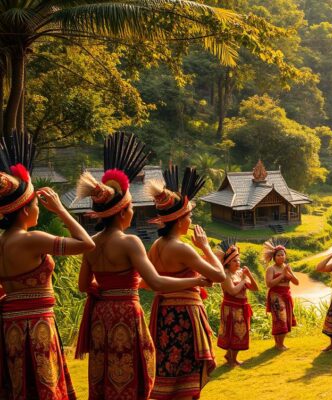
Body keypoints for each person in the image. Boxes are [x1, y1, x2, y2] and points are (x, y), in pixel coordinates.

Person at [73, 133, 210, 399]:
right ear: (123, 212)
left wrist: (106, 292)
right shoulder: (130, 242)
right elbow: (156, 283)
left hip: (101, 317)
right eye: (132, 206)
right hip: (126, 313)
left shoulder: (91, 243)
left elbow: (82, 286)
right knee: (133, 374)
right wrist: (194, 281)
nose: (134, 211)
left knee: (104, 374)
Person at [0, 131, 95, 399]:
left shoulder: (2, 243)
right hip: (36, 326)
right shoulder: (33, 240)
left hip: (10, 327)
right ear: (25, 210)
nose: (40, 209)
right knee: (44, 387)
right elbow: (87, 244)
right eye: (36, 204)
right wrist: (61, 210)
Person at [145, 165, 226, 399]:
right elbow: (219, 276)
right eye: (189, 216)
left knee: (169, 364)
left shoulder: (156, 246)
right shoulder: (182, 248)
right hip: (183, 315)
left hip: (162, 314)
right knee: (186, 366)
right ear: (180, 221)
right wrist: (206, 247)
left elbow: (153, 282)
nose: (191, 220)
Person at [216, 240, 258, 366]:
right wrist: (243, 281)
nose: (238, 263)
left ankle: (232, 357)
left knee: (241, 332)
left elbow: (255, 288)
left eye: (239, 260)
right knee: (231, 332)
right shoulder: (225, 275)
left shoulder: (241, 273)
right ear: (228, 263)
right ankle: (231, 358)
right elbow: (233, 291)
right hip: (230, 308)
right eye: (234, 260)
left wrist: (249, 276)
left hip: (242, 307)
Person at [264, 239, 299, 350]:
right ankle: (278, 344)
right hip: (275, 296)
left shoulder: (286, 267)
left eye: (282, 255)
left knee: (286, 319)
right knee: (279, 319)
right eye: (278, 255)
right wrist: (282, 275)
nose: (281, 257)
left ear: (285, 256)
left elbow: (296, 282)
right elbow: (269, 284)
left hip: (286, 295)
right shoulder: (271, 269)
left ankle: (280, 344)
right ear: (274, 257)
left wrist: (290, 272)